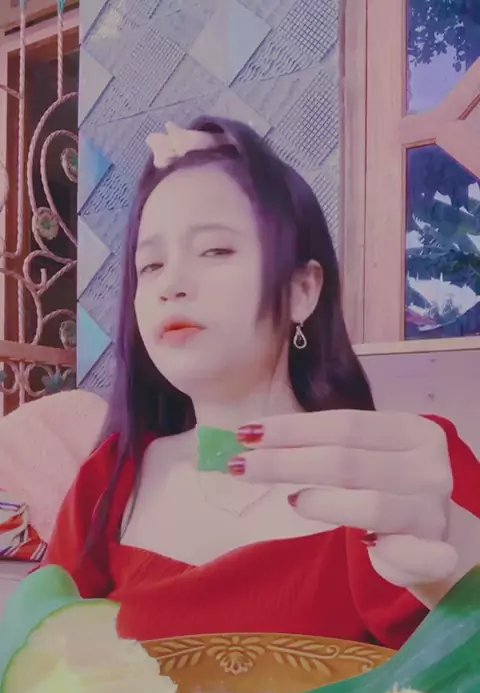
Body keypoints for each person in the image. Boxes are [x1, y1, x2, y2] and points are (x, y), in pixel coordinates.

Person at [46, 117, 480, 650]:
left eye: (215, 250)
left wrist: (465, 578)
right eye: (151, 265)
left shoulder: (399, 472)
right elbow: (34, 666)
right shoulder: (108, 482)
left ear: (302, 290)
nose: (171, 284)